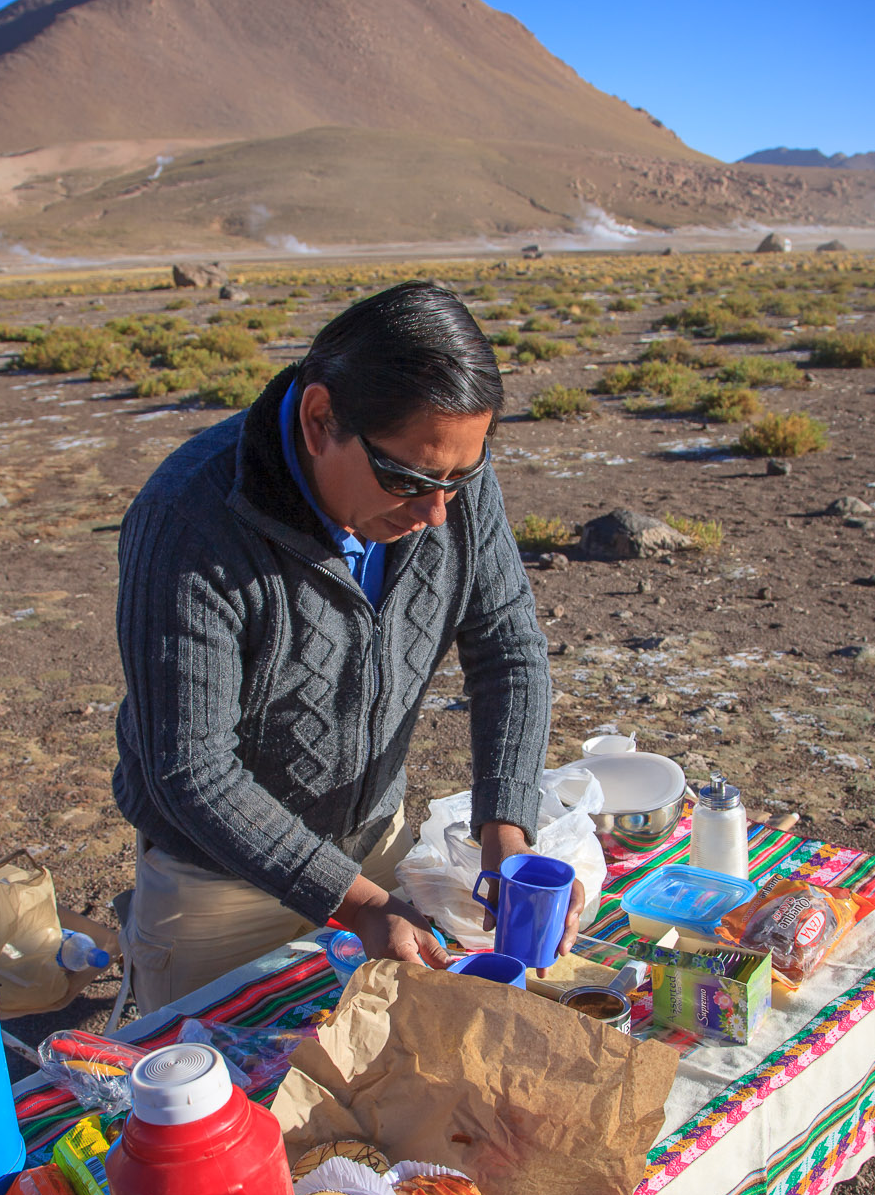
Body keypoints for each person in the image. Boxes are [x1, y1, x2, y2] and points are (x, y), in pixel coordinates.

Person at [112, 279, 581, 1013]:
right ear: (319, 418)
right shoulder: (189, 522)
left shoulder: (447, 483)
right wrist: (357, 903)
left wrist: (507, 830)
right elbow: (191, 768)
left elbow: (507, 646)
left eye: (461, 477)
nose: (434, 513)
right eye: (408, 477)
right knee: (225, 1099)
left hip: (371, 842)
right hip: (217, 889)